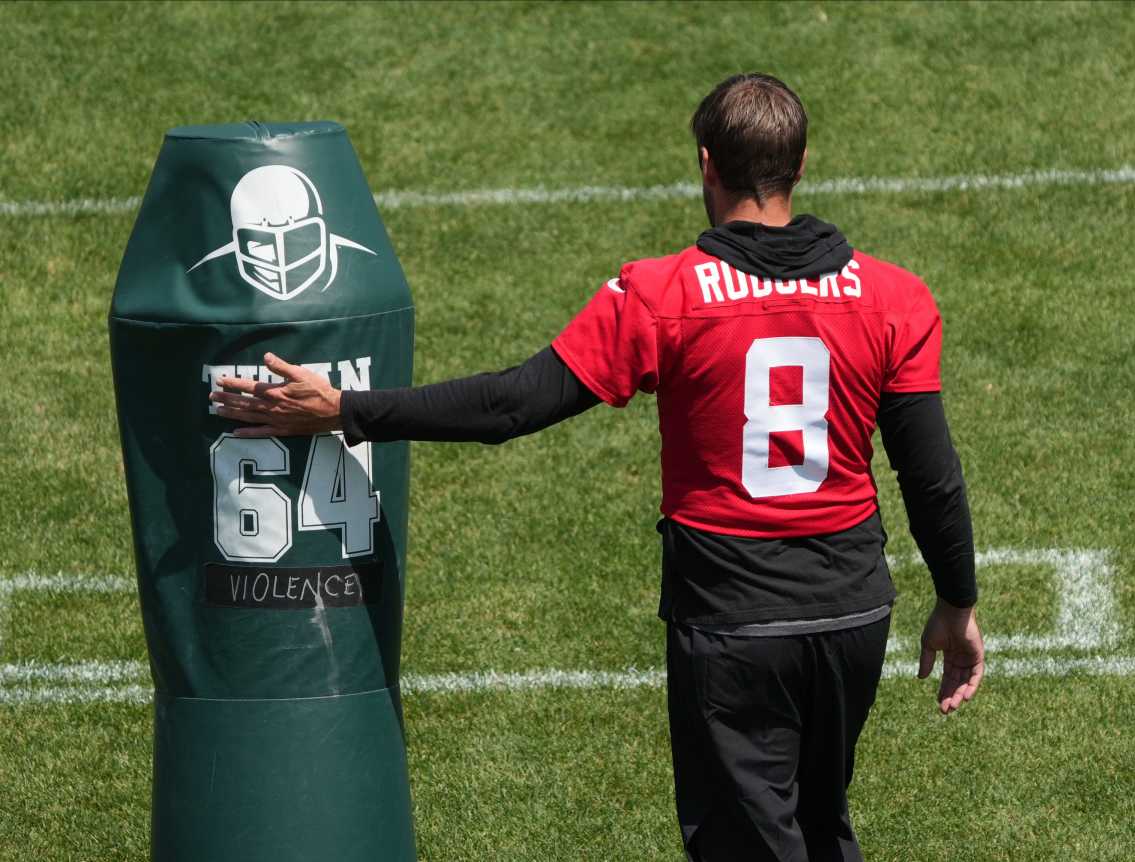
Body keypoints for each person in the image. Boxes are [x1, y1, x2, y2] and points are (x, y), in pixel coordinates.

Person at [212, 73, 984, 862]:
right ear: (802, 164)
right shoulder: (896, 297)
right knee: (821, 831)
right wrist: (957, 600)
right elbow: (931, 473)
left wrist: (349, 409)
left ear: (706, 164)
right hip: (852, 615)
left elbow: (513, 405)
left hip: (734, 621)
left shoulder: (663, 295)